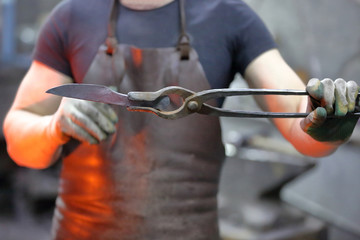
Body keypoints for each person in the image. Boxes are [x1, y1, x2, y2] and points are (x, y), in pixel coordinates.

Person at [3, 0, 359, 239]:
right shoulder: (71, 16)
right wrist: (53, 127)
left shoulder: (229, 16)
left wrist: (327, 127)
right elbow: (20, 137)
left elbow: (303, 127)